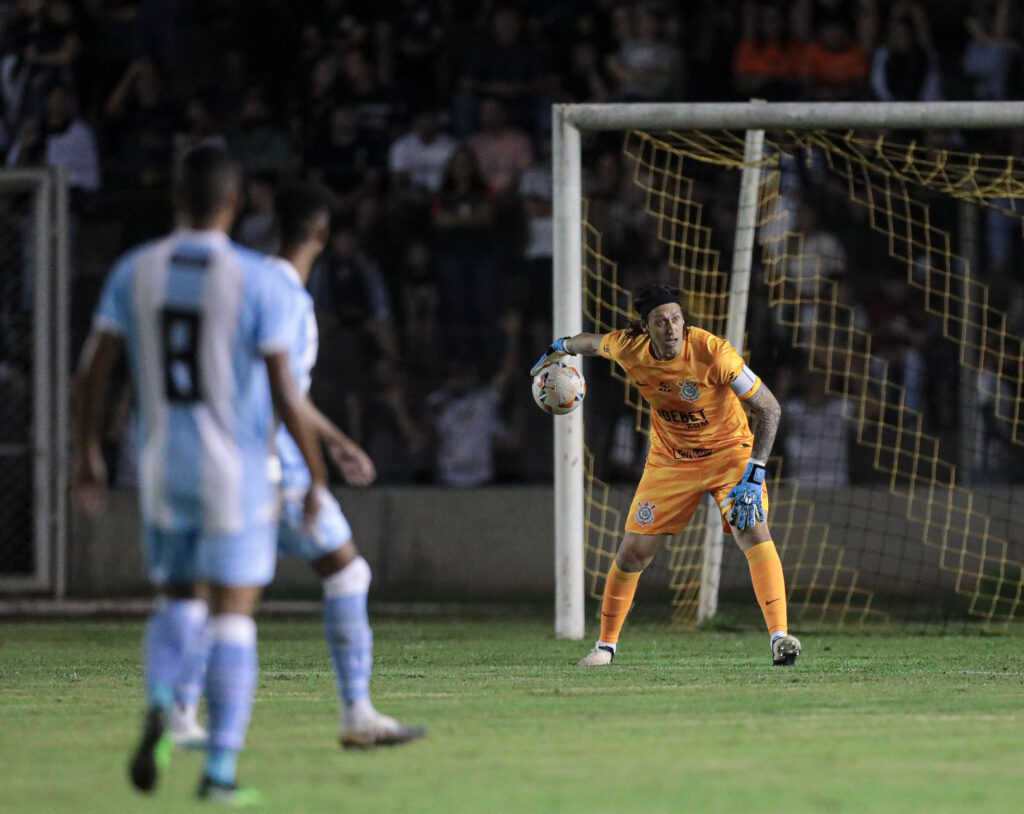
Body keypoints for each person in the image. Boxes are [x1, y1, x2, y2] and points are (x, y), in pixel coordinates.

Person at [72, 146, 329, 804]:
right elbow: (284, 392)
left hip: (159, 465)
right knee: (233, 619)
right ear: (236, 204)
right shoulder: (257, 280)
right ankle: (218, 774)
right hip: (235, 470)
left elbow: (92, 371)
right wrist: (319, 478)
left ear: (175, 199)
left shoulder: (135, 270)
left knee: (178, 600)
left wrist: (88, 452)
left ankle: (163, 696)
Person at [170, 181, 425, 750]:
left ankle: (182, 713)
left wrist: (334, 440)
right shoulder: (285, 295)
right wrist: (318, 472)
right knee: (343, 573)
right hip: (271, 457)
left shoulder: (241, 283)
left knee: (217, 590)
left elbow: (285, 390)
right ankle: (356, 713)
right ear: (323, 234)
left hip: (222, 450)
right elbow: (283, 394)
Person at [531, 282, 802, 667]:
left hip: (730, 456)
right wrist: (559, 347)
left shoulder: (714, 352)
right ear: (646, 328)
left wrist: (755, 472)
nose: (672, 328)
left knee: (753, 529)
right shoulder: (629, 347)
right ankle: (605, 648)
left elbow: (770, 409)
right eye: (661, 321)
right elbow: (590, 343)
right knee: (632, 554)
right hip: (671, 460)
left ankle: (780, 639)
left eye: (676, 318)